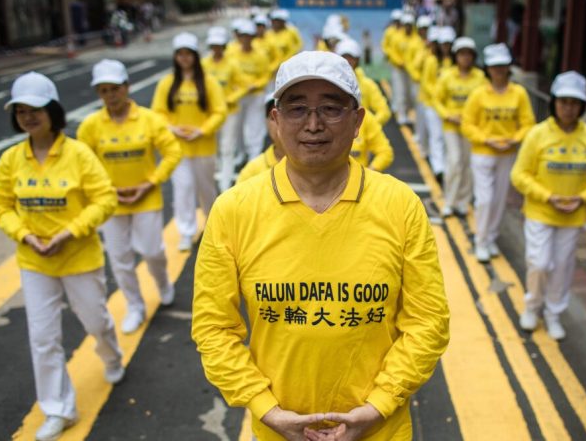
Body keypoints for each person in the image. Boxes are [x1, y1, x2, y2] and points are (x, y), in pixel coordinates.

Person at [192, 51, 450, 441]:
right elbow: (214, 328)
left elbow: (427, 321)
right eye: (297, 109)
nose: (313, 124)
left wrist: (378, 406)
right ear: (276, 121)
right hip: (278, 430)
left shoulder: (400, 206)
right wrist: (267, 410)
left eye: (331, 108)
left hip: (380, 429)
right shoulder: (234, 210)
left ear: (358, 120)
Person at [0, 72, 123, 441]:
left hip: (80, 258)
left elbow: (105, 199)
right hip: (35, 262)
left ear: (52, 111)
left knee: (95, 322)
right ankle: (58, 408)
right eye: (20, 111)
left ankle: (111, 354)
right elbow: (0, 205)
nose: (28, 117)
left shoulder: (79, 154)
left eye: (35, 109)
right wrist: (25, 235)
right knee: (43, 338)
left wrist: (70, 232)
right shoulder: (10, 160)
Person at [77, 59, 182, 333]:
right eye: (104, 90)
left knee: (152, 251)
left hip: (145, 198)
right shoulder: (90, 126)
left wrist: (150, 183)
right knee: (120, 259)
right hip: (110, 203)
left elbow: (172, 152)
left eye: (115, 88)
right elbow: (83, 164)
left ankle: (162, 283)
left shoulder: (149, 119)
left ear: (127, 87)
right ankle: (135, 305)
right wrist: (108, 191)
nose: (110, 96)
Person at [510, 71, 586, 339]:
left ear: (582, 106)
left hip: (573, 216)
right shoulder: (538, 134)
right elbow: (519, 174)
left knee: (563, 267)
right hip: (540, 212)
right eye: (563, 101)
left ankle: (554, 313)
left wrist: (584, 196)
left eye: (574, 103)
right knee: (540, 263)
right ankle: (532, 307)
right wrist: (547, 196)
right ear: (554, 102)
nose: (568, 108)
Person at [151, 32, 227, 251]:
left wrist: (202, 131)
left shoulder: (209, 82)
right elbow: (157, 112)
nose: (184, 58)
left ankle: (213, 228)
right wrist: (172, 128)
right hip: (178, 149)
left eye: (188, 54)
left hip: (204, 147)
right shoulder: (167, 83)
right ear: (175, 57)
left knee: (207, 190)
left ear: (195, 56)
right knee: (182, 190)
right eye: (180, 54)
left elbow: (219, 111)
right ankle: (186, 232)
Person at [462, 43, 536, 261]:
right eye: (494, 66)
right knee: (484, 199)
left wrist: (513, 140)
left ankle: (491, 237)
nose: (499, 70)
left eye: (502, 66)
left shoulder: (519, 93)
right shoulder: (478, 94)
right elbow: (468, 124)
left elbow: (528, 123)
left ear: (508, 67)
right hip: (483, 153)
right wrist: (487, 140)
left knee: (499, 199)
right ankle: (481, 241)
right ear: (488, 69)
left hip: (508, 154)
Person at [434, 36, 486, 217]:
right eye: (462, 54)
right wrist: (448, 115)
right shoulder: (447, 75)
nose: (465, 58)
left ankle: (463, 202)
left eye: (468, 54)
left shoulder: (480, 77)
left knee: (467, 163)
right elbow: (437, 100)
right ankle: (449, 201)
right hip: (451, 127)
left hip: (471, 127)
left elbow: (483, 101)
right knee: (454, 162)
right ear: (456, 56)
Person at [202, 27, 254, 191]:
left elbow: (244, 85)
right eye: (213, 46)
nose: (216, 49)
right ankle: (213, 178)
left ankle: (225, 185)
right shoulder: (204, 64)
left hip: (229, 113)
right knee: (212, 149)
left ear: (224, 46)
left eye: (219, 45)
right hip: (209, 113)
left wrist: (230, 99)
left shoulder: (232, 64)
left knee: (227, 148)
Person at [229, 20, 272, 164]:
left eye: (249, 36)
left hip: (255, 95)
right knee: (237, 127)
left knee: (255, 126)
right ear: (239, 37)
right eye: (243, 36)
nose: (246, 39)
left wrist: (256, 85)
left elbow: (266, 75)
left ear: (253, 37)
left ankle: (254, 157)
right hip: (238, 96)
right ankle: (241, 153)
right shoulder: (231, 52)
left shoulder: (260, 54)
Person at [421, 26, 455, 184]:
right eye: (444, 43)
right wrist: (436, 94)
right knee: (436, 136)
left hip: (450, 107)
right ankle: (438, 168)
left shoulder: (454, 63)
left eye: (449, 43)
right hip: (432, 105)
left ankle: (446, 168)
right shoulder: (432, 60)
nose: (446, 46)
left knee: (448, 139)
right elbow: (426, 82)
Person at [335, 39, 392, 125]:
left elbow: (384, 111)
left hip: (361, 137)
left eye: (351, 57)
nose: (347, 61)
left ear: (357, 60)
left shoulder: (367, 84)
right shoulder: (330, 84)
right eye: (344, 57)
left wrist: (366, 126)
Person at [236, 93, 283, 184]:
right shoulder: (252, 171)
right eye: (273, 117)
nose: (279, 122)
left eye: (286, 115)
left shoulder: (313, 164)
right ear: (266, 122)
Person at [405, 16, 433, 156]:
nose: (424, 31)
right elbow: (413, 63)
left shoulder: (434, 43)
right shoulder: (416, 44)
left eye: (426, 28)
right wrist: (416, 77)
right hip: (419, 84)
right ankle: (422, 143)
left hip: (433, 87)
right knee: (421, 113)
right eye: (422, 28)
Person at [388, 13, 417, 125]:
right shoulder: (397, 37)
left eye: (410, 25)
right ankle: (401, 115)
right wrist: (399, 62)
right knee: (400, 91)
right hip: (399, 69)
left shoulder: (416, 39)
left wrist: (411, 65)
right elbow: (392, 51)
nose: (408, 27)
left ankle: (407, 113)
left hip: (411, 71)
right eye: (406, 25)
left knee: (410, 93)